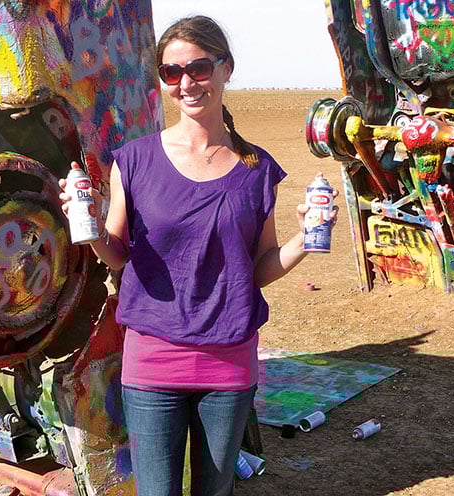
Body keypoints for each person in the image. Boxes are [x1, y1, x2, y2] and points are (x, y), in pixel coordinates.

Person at [59, 15, 338, 496]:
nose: (186, 83)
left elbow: (257, 268)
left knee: (215, 491)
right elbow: (120, 256)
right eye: (171, 72)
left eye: (200, 68)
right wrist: (84, 223)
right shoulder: (135, 160)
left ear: (226, 69)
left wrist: (306, 239)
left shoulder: (257, 169)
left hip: (229, 363)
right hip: (153, 358)